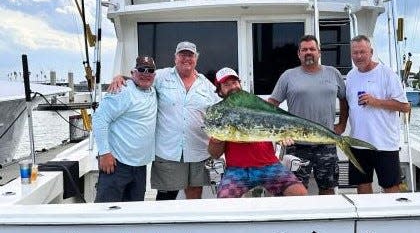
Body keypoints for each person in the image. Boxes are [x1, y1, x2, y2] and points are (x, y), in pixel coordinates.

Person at [109, 41, 220, 200]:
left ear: (196, 58)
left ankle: (190, 224)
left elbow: (219, 109)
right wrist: (121, 77)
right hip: (168, 150)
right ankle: (165, 225)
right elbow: (142, 78)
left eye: (190, 55)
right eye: (182, 55)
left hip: (198, 149)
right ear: (175, 58)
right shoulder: (161, 76)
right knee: (166, 195)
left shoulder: (206, 84)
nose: (186, 58)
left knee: (195, 191)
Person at [208, 67, 307, 198]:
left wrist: (283, 136)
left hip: (270, 166)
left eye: (234, 82)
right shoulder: (218, 112)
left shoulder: (260, 105)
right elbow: (214, 154)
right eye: (226, 85)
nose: (232, 87)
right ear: (220, 90)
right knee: (224, 201)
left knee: (300, 194)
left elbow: (276, 129)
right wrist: (216, 141)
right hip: (237, 171)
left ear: (240, 83)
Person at [268, 34, 349, 195]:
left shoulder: (333, 73)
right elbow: (271, 106)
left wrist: (342, 125)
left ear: (319, 52)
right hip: (296, 146)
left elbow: (344, 100)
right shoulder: (288, 76)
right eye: (304, 50)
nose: (308, 52)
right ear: (299, 54)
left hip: (326, 143)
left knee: (328, 188)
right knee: (295, 190)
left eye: (312, 49)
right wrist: (278, 134)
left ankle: (327, 220)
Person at [345, 34, 410, 194]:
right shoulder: (351, 76)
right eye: (355, 53)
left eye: (362, 52)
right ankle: (366, 218)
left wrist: (376, 101)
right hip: (358, 142)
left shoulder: (387, 73)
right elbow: (347, 105)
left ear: (371, 52)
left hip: (384, 144)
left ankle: (392, 218)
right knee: (362, 184)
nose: (359, 56)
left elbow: (405, 107)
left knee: (390, 185)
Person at [93, 56, 157, 202]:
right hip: (116, 164)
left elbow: (140, 78)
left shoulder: (153, 91)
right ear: (133, 72)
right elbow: (99, 119)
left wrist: (121, 76)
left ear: (154, 75)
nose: (145, 73)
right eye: (141, 69)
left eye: (150, 70)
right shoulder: (123, 91)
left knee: (133, 214)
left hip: (140, 166)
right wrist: (104, 153)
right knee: (106, 210)